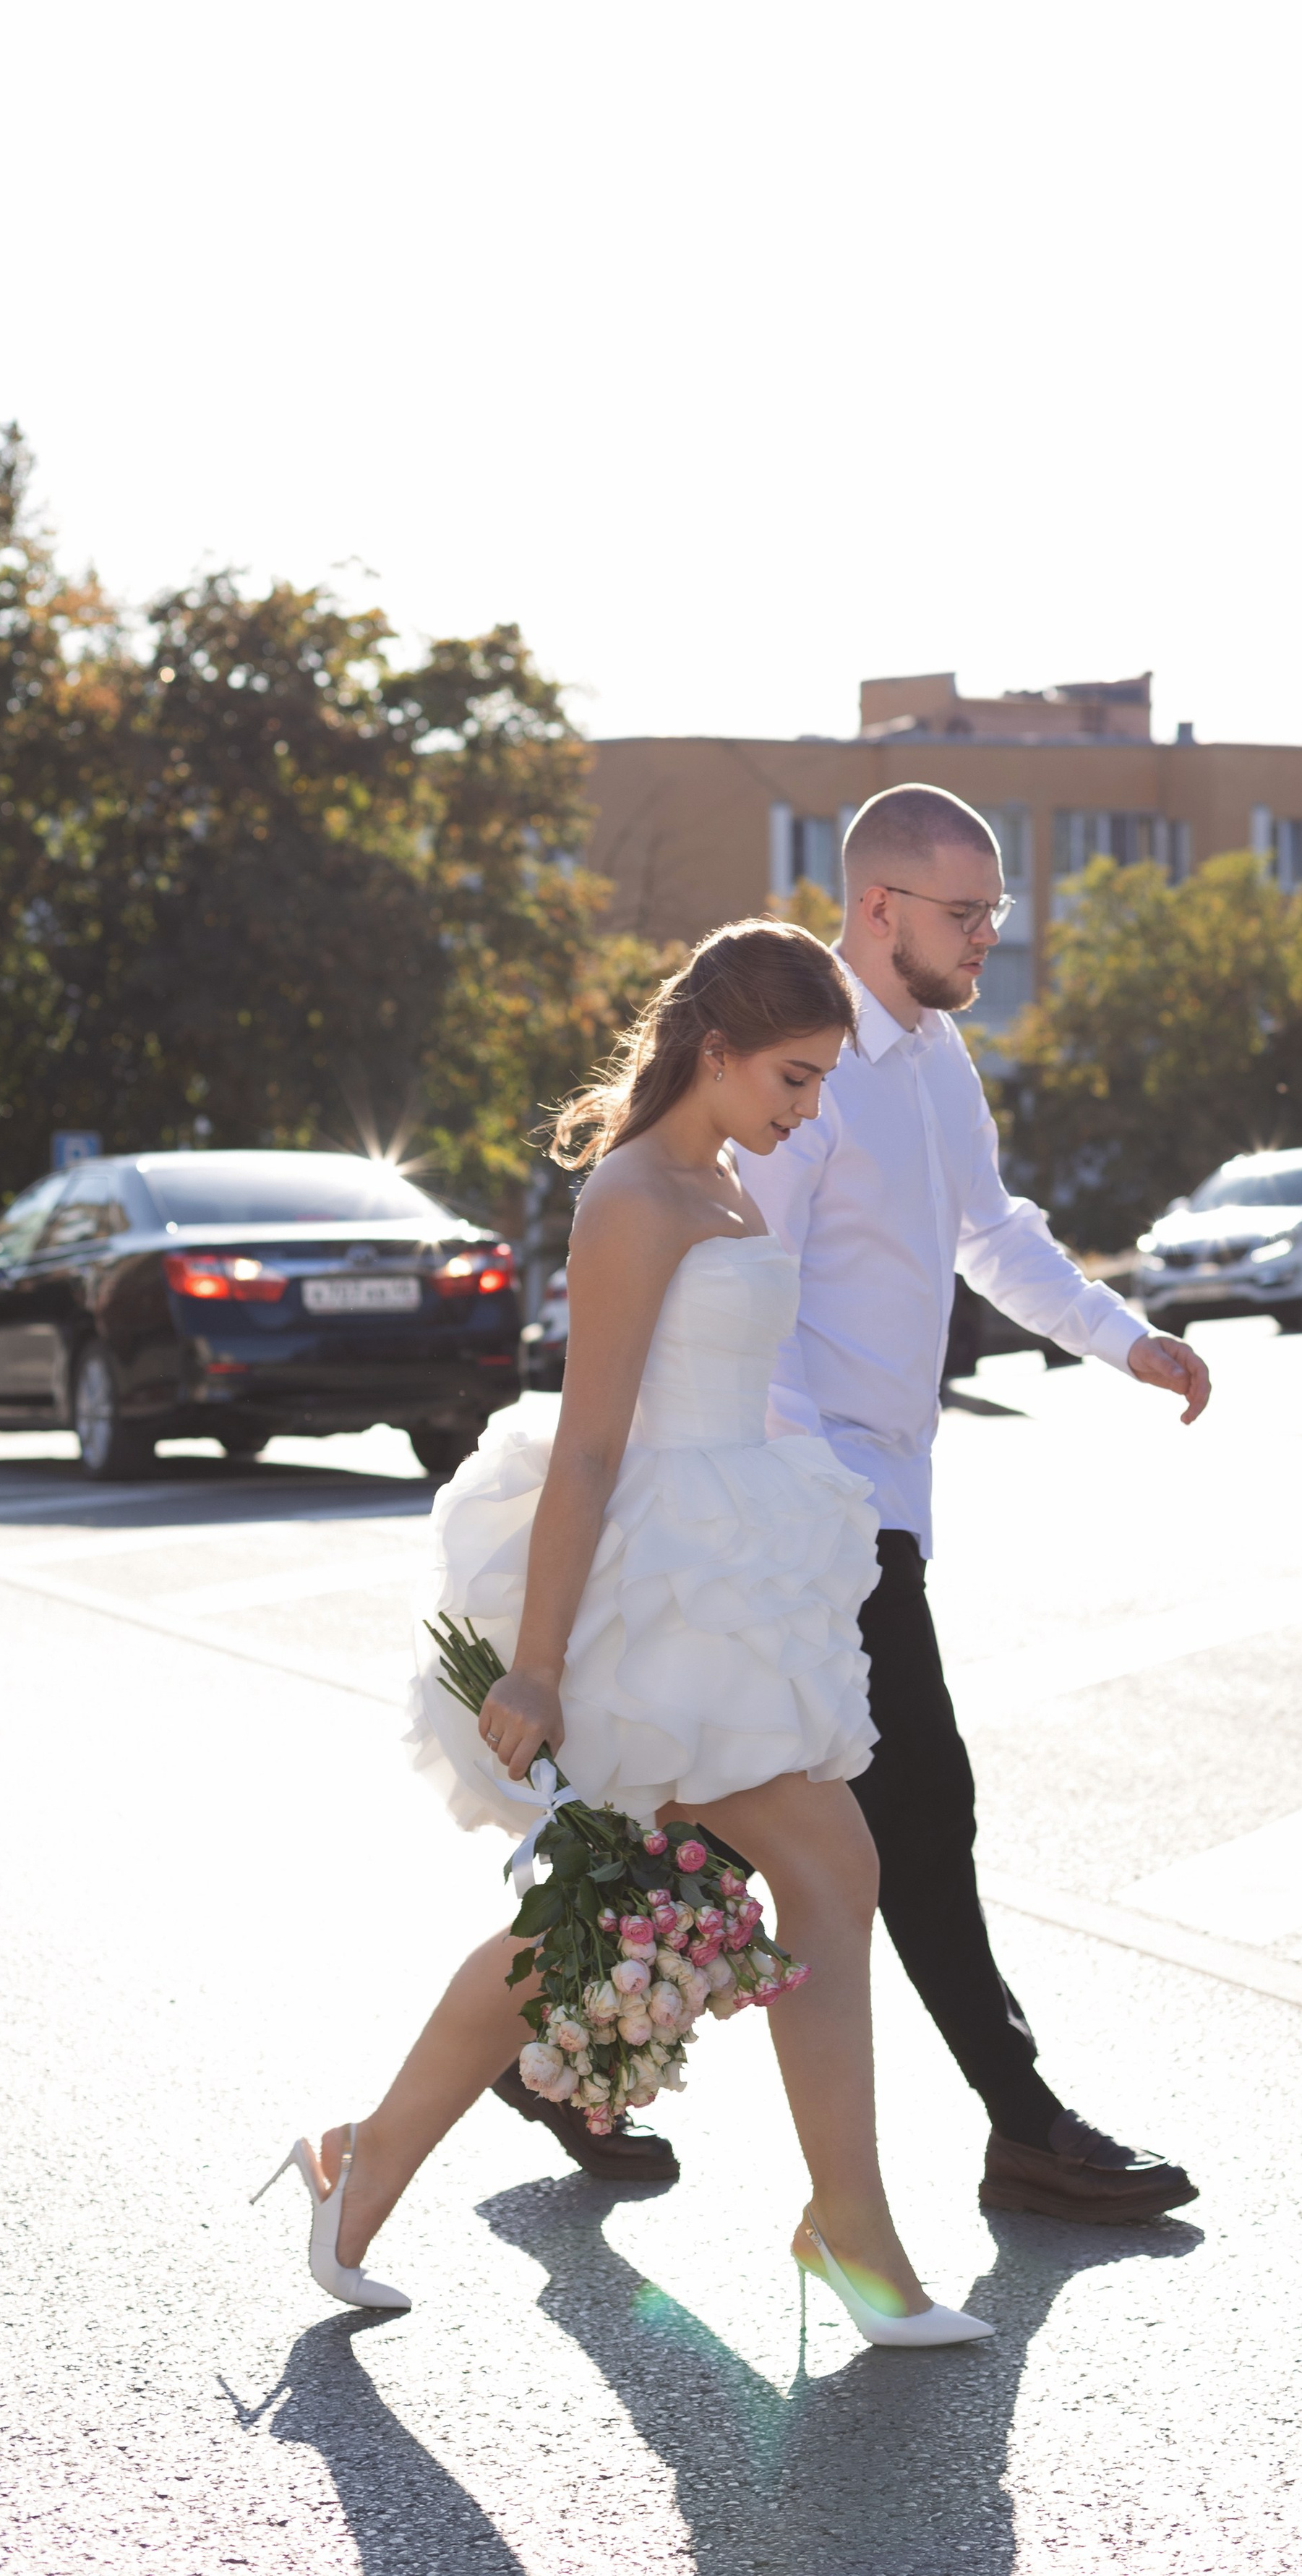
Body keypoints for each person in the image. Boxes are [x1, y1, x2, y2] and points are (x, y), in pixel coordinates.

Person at [256, 920, 991, 2347]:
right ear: (712, 1050)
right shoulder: (634, 1199)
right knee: (814, 1868)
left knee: (615, 1924)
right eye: (791, 1074)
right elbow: (589, 1444)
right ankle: (848, 2235)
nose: (807, 1108)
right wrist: (536, 1661)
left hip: (736, 1557)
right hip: (658, 1577)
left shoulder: (721, 1179)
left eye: (823, 1078)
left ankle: (360, 2159)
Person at [732, 782, 1212, 2228]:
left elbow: (988, 1232)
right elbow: (744, 1300)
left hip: (874, 1500)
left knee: (688, 1808)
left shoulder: (936, 1059)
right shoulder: (794, 1062)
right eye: (965, 913)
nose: (988, 937)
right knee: (917, 1809)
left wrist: (1127, 1338)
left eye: (997, 911)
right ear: (876, 908)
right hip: (809, 1509)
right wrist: (819, 1502)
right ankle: (1024, 2123)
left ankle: (556, 2053)